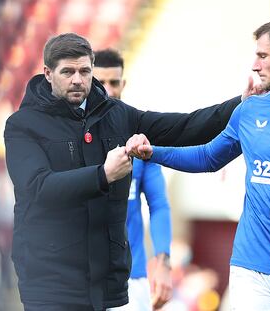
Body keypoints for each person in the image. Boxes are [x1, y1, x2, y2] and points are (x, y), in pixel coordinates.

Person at [127, 18, 270, 311]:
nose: (255, 65)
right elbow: (208, 157)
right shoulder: (251, 109)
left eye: (262, 56)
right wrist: (154, 153)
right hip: (251, 265)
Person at [4, 32, 246, 311]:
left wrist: (240, 103)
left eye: (84, 71)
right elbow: (38, 188)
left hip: (110, 282)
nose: (77, 80)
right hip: (50, 282)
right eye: (67, 72)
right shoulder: (22, 125)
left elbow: (183, 127)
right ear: (47, 73)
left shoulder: (117, 114)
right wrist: (102, 175)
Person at [94, 49, 173, 310]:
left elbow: (159, 204)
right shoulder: (71, 140)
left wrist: (162, 261)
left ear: (123, 84)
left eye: (114, 82)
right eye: (100, 83)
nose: (108, 90)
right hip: (81, 281)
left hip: (130, 280)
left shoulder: (139, 140)